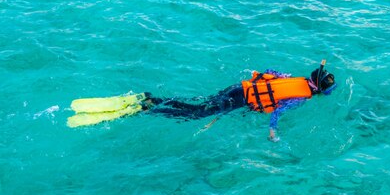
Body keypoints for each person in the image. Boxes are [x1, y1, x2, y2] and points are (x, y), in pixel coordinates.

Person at [67, 60, 337, 141]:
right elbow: (277, 110)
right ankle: (146, 107)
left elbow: (269, 75)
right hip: (241, 100)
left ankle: (152, 99)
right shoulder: (300, 98)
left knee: (202, 105)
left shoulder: (293, 78)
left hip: (237, 89)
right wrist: (272, 132)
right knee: (195, 115)